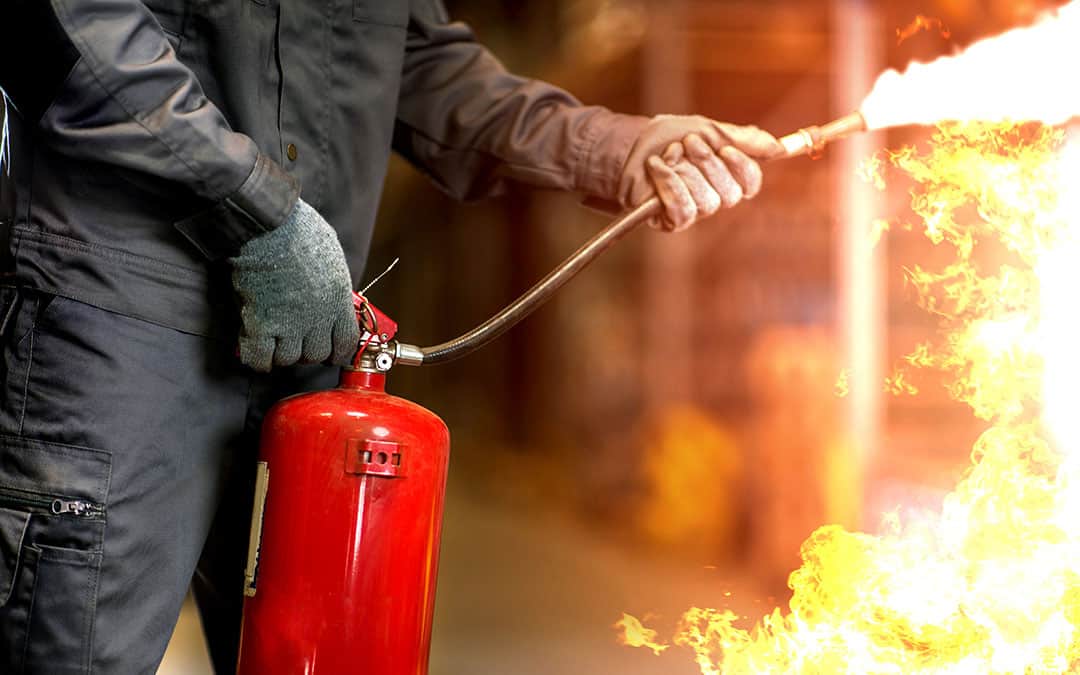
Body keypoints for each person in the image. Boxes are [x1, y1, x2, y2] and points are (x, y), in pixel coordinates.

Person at [0, 1, 782, 672]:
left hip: (310, 336)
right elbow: (69, 23)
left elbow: (419, 63)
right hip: (120, 322)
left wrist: (617, 148)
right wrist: (249, 203)